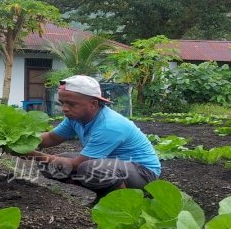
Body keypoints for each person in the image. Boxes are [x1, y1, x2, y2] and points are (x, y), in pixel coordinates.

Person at [19, 75, 161, 204]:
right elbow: (51, 138)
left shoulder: (109, 125)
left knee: (89, 168)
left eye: (71, 104)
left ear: (93, 104)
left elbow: (77, 164)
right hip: (112, 165)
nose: (64, 109)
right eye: (62, 103)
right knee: (50, 165)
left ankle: (125, 204)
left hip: (143, 172)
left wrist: (35, 155)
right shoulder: (75, 118)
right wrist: (20, 143)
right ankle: (104, 196)